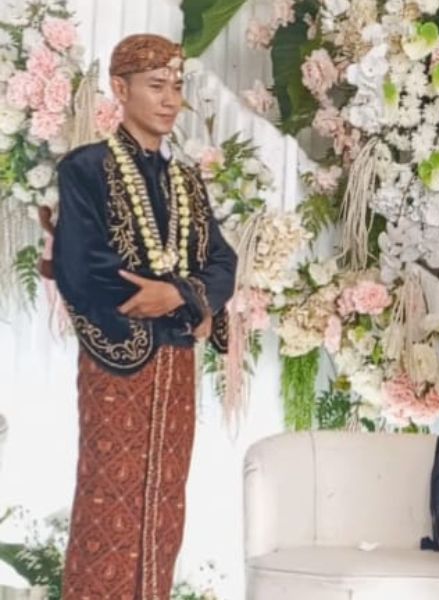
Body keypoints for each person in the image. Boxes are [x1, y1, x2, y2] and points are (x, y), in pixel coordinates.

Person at [53, 34, 237, 599]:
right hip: (118, 363)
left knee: (164, 503)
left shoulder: (186, 180)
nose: (170, 99)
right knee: (109, 503)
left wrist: (180, 295)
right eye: (156, 86)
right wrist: (180, 304)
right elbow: (84, 269)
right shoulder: (86, 168)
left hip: (176, 369)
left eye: (176, 86)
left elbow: (222, 262)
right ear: (120, 88)